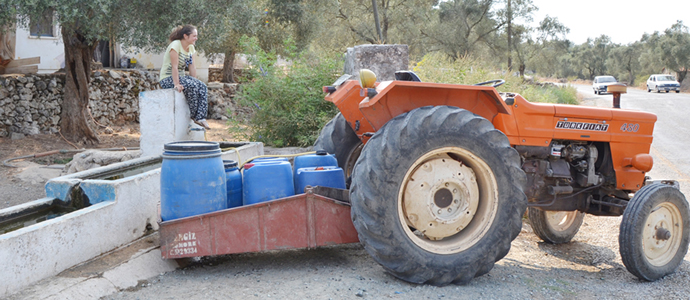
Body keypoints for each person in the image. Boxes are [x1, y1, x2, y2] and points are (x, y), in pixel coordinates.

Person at [159, 25, 210, 129]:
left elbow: (192, 67)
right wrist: (176, 84)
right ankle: (193, 115)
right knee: (191, 85)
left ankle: (200, 118)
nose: (196, 38)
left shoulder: (191, 48)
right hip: (168, 79)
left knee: (202, 86)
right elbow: (174, 66)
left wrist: (196, 82)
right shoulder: (175, 45)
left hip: (181, 77)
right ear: (186, 36)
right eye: (194, 36)